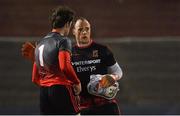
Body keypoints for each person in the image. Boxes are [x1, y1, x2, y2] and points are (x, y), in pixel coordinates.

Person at [21, 17, 123, 115]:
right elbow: (52, 75)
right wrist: (37, 58)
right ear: (73, 31)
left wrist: (112, 77)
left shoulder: (103, 50)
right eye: (80, 29)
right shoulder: (66, 52)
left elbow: (118, 72)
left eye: (87, 29)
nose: (84, 32)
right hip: (82, 107)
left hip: (106, 105)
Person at [29, 6, 81, 115]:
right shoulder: (63, 41)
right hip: (60, 89)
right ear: (67, 24)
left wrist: (47, 85)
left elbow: (34, 78)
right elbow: (65, 66)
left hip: (44, 92)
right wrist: (76, 82)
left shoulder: (39, 44)